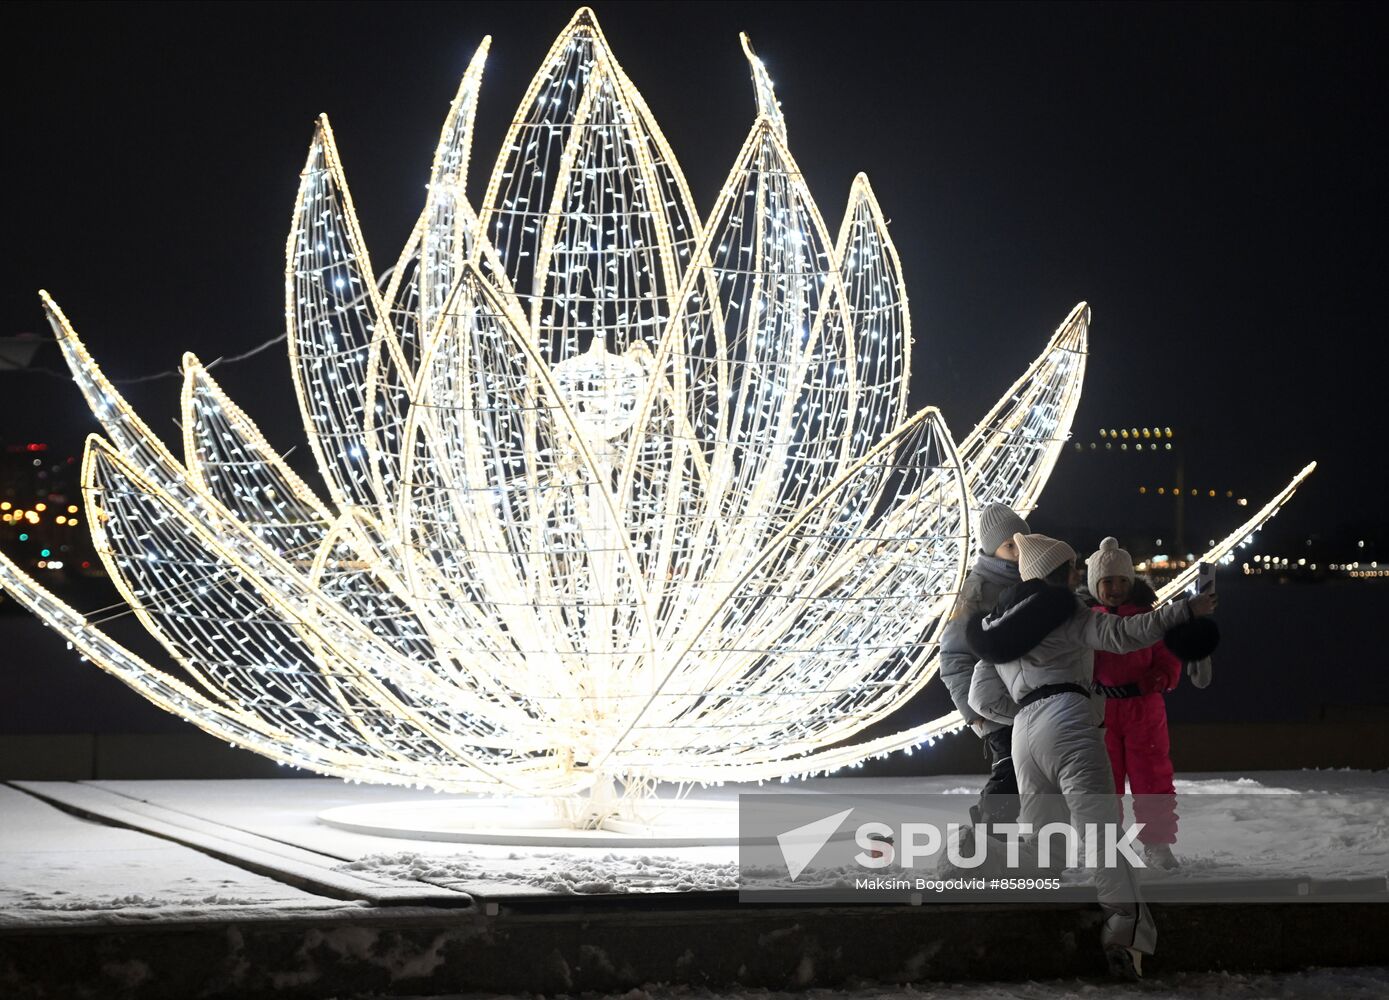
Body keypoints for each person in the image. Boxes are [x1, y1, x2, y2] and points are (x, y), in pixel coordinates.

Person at [965, 532, 1218, 980]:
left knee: (1046, 844)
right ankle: (1124, 933)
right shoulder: (1066, 613)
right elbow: (1124, 634)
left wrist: (1027, 711)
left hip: (1024, 733)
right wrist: (1184, 611)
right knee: (1101, 835)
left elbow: (981, 700)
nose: (1078, 575)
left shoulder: (997, 626)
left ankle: (1022, 922)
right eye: (1073, 569)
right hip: (1069, 719)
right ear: (1059, 573)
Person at [1086, 537, 1182, 870]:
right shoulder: (1086, 622)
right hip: (1101, 712)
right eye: (1107, 581)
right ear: (1094, 585)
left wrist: (1160, 678)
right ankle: (1107, 846)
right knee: (1102, 783)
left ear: (1132, 582)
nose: (1115, 588)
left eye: (1121, 581)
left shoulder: (1149, 619)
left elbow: (1169, 660)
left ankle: (1157, 844)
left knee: (1152, 779)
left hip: (1144, 709)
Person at [938, 502, 1030, 825]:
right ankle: (985, 837)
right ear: (992, 550)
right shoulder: (975, 594)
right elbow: (952, 658)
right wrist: (973, 711)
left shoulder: (1032, 583)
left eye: (1022, 542)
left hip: (1029, 700)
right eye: (1009, 545)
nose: (1018, 551)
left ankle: (1013, 844)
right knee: (1010, 773)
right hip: (992, 707)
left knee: (1032, 776)